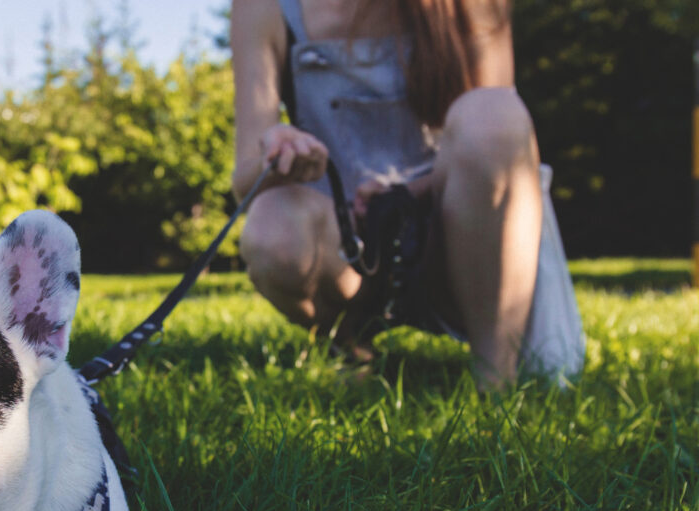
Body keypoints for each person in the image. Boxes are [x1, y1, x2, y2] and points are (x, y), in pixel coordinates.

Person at [231, 0, 584, 388]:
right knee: (271, 224)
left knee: (493, 111)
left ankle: (496, 375)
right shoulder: (263, 7)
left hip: (457, 238)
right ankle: (348, 344)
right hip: (348, 248)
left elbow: (502, 138)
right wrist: (280, 150)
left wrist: (401, 194)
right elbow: (245, 178)